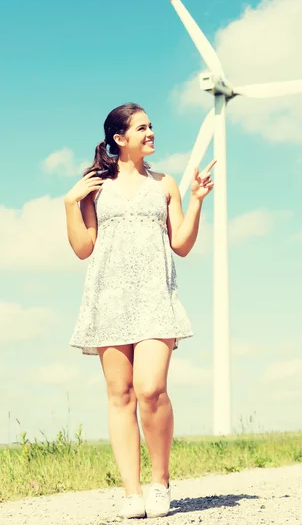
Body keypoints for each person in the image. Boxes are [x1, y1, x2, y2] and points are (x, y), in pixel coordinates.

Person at [64, 102, 215, 519]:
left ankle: (160, 481)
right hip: (107, 299)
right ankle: (132, 493)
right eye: (142, 128)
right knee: (121, 395)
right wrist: (69, 205)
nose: (151, 133)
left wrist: (198, 200)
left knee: (151, 390)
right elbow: (82, 249)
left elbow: (181, 244)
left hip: (154, 298)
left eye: (152, 126)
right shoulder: (95, 187)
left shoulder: (165, 184)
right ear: (120, 138)